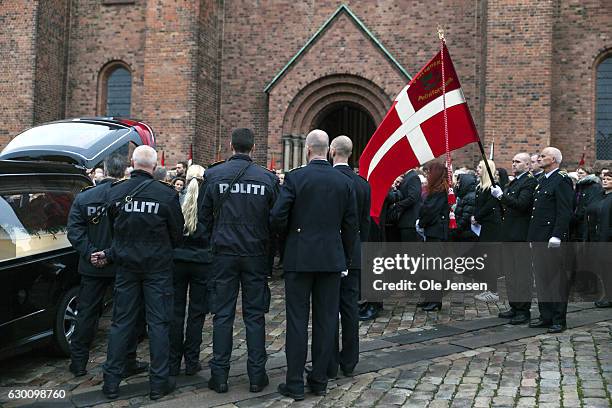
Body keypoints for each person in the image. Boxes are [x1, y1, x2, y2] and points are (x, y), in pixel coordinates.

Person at [271, 129, 357, 400]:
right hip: (331, 258)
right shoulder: (344, 181)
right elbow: (351, 224)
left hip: (300, 257)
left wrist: (287, 243)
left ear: (308, 149)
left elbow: (277, 216)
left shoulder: (296, 178)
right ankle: (319, 380)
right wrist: (344, 256)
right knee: (326, 320)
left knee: (297, 321)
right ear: (327, 150)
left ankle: (295, 382)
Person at [95, 145, 184, 400]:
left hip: (127, 267)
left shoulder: (116, 192)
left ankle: (111, 382)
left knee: (121, 323)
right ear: (154, 167)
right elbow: (177, 235)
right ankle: (158, 383)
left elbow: (114, 230)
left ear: (132, 163)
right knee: (158, 324)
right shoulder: (165, 194)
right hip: (157, 268)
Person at [202, 128, 279, 394]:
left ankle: (220, 376)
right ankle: (257, 376)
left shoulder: (213, 175)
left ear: (231, 145)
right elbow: (275, 221)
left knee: (222, 316)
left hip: (223, 254)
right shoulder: (267, 179)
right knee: (255, 317)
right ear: (253, 147)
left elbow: (203, 219)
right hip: (255, 254)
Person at [66, 155, 148, 378]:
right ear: (125, 171)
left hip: (93, 265)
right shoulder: (128, 197)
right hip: (121, 264)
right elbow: (134, 232)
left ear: (104, 169)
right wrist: (107, 254)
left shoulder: (85, 197)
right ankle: (126, 359)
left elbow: (74, 231)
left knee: (86, 314)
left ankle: (78, 362)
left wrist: (90, 252)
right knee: (124, 315)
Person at [328, 135, 370, 378]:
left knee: (330, 309)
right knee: (350, 309)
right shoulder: (363, 184)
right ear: (351, 154)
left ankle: (330, 360)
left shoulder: (329, 180)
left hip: (331, 254)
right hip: (354, 254)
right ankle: (350, 361)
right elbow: (365, 224)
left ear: (333, 151)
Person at [528, 147, 574, 334]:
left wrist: (557, 235)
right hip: (539, 237)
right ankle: (545, 315)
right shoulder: (542, 180)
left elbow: (564, 211)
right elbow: (537, 214)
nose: (539, 158)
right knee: (542, 279)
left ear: (553, 159)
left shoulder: (561, 180)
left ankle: (558, 319)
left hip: (552, 239)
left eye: (543, 156)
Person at [169, 165, 209, 376]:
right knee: (197, 313)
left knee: (176, 312)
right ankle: (191, 361)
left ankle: (173, 361)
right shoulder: (208, 202)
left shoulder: (177, 200)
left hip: (178, 261)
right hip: (201, 262)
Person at [490, 153, 537, 324]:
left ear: (527, 165)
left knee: (521, 274)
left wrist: (502, 196)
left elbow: (522, 205)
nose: (514, 164)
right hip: (509, 233)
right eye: (513, 161)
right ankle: (514, 306)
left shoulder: (529, 182)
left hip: (520, 234)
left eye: (518, 161)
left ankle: (523, 310)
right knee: (510, 273)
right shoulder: (515, 181)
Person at [416, 162, 450, 311]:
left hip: (436, 233)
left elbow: (429, 210)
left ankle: (435, 300)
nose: (428, 174)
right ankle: (429, 297)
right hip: (432, 232)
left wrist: (421, 222)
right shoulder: (436, 189)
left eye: (430, 172)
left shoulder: (439, 190)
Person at [472, 159, 503, 303]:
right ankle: (488, 288)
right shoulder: (480, 187)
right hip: (483, 226)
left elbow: (490, 206)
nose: (477, 169)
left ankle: (493, 290)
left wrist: (476, 217)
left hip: (492, 228)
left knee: (490, 259)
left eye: (479, 167)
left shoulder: (493, 187)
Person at [570, 167, 602, 294]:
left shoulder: (593, 187)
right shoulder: (580, 186)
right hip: (577, 227)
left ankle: (590, 286)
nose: (579, 175)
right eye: (578, 173)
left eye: (581, 173)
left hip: (585, 226)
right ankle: (581, 283)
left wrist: (575, 217)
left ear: (589, 174)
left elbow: (586, 207)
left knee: (587, 257)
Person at [585, 171, 612, 307]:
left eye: (609, 179)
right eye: (604, 179)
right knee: (604, 269)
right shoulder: (600, 196)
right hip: (599, 237)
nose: (605, 181)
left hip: (609, 238)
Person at [451, 173, 477, 242]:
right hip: (461, 233)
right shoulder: (464, 195)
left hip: (465, 234)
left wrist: (455, 230)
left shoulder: (470, 197)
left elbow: (465, 218)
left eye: (459, 183)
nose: (457, 185)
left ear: (465, 183)